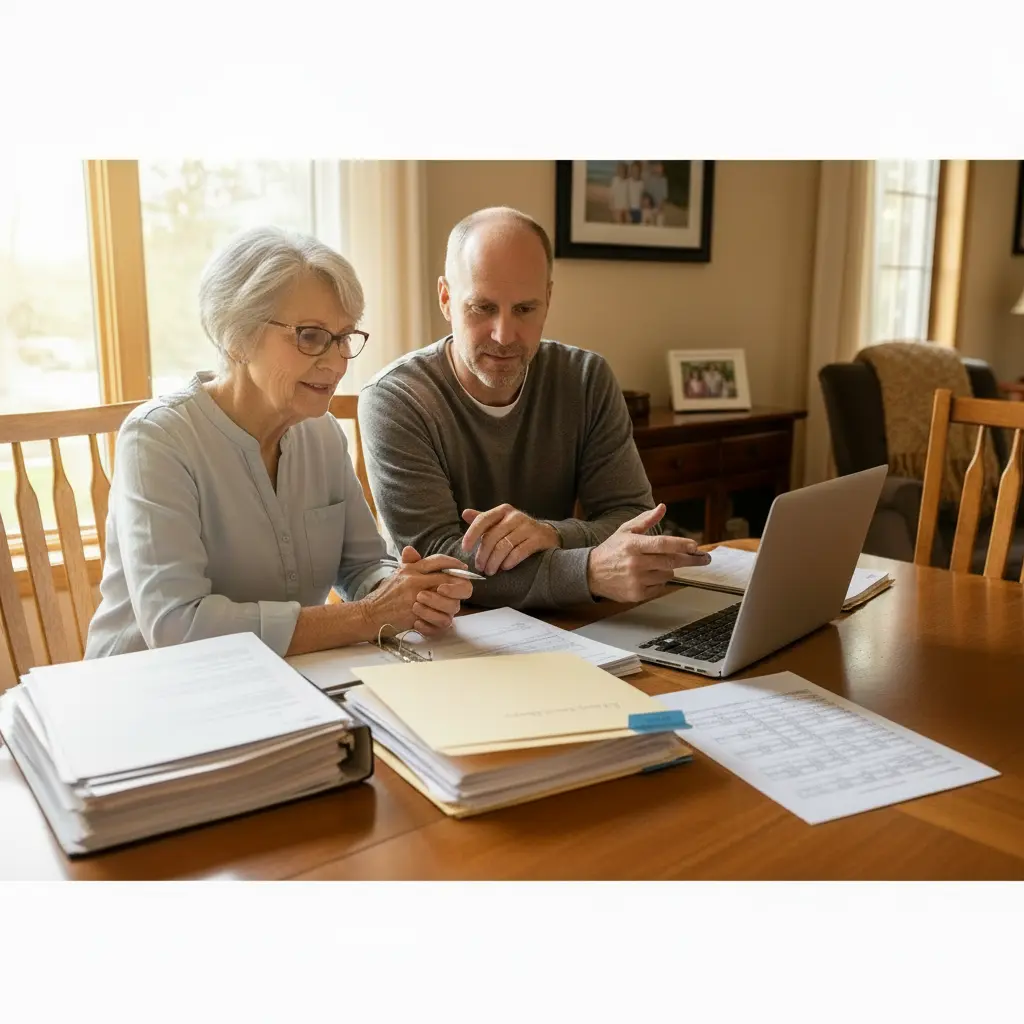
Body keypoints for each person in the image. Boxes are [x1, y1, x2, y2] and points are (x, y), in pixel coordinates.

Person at [85, 226, 473, 660]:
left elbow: (363, 565)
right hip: (147, 690)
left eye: (344, 337)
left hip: (281, 683)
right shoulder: (157, 439)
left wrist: (412, 593)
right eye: (310, 336)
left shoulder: (321, 433)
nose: (336, 362)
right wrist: (367, 615)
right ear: (237, 336)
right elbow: (179, 626)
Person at [358, 206, 711, 611]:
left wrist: (553, 533)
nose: (505, 335)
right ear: (446, 299)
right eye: (482, 308)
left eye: (524, 309)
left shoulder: (585, 378)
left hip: (569, 624)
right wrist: (589, 570)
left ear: (547, 298)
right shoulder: (395, 400)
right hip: (452, 633)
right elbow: (437, 566)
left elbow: (637, 520)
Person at [644, 161, 669, 226]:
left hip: (659, 208)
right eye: (657, 167)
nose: (658, 169)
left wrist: (659, 208)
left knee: (660, 223)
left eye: (660, 167)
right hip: (650, 208)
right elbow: (647, 195)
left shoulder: (664, 180)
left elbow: (664, 197)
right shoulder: (649, 179)